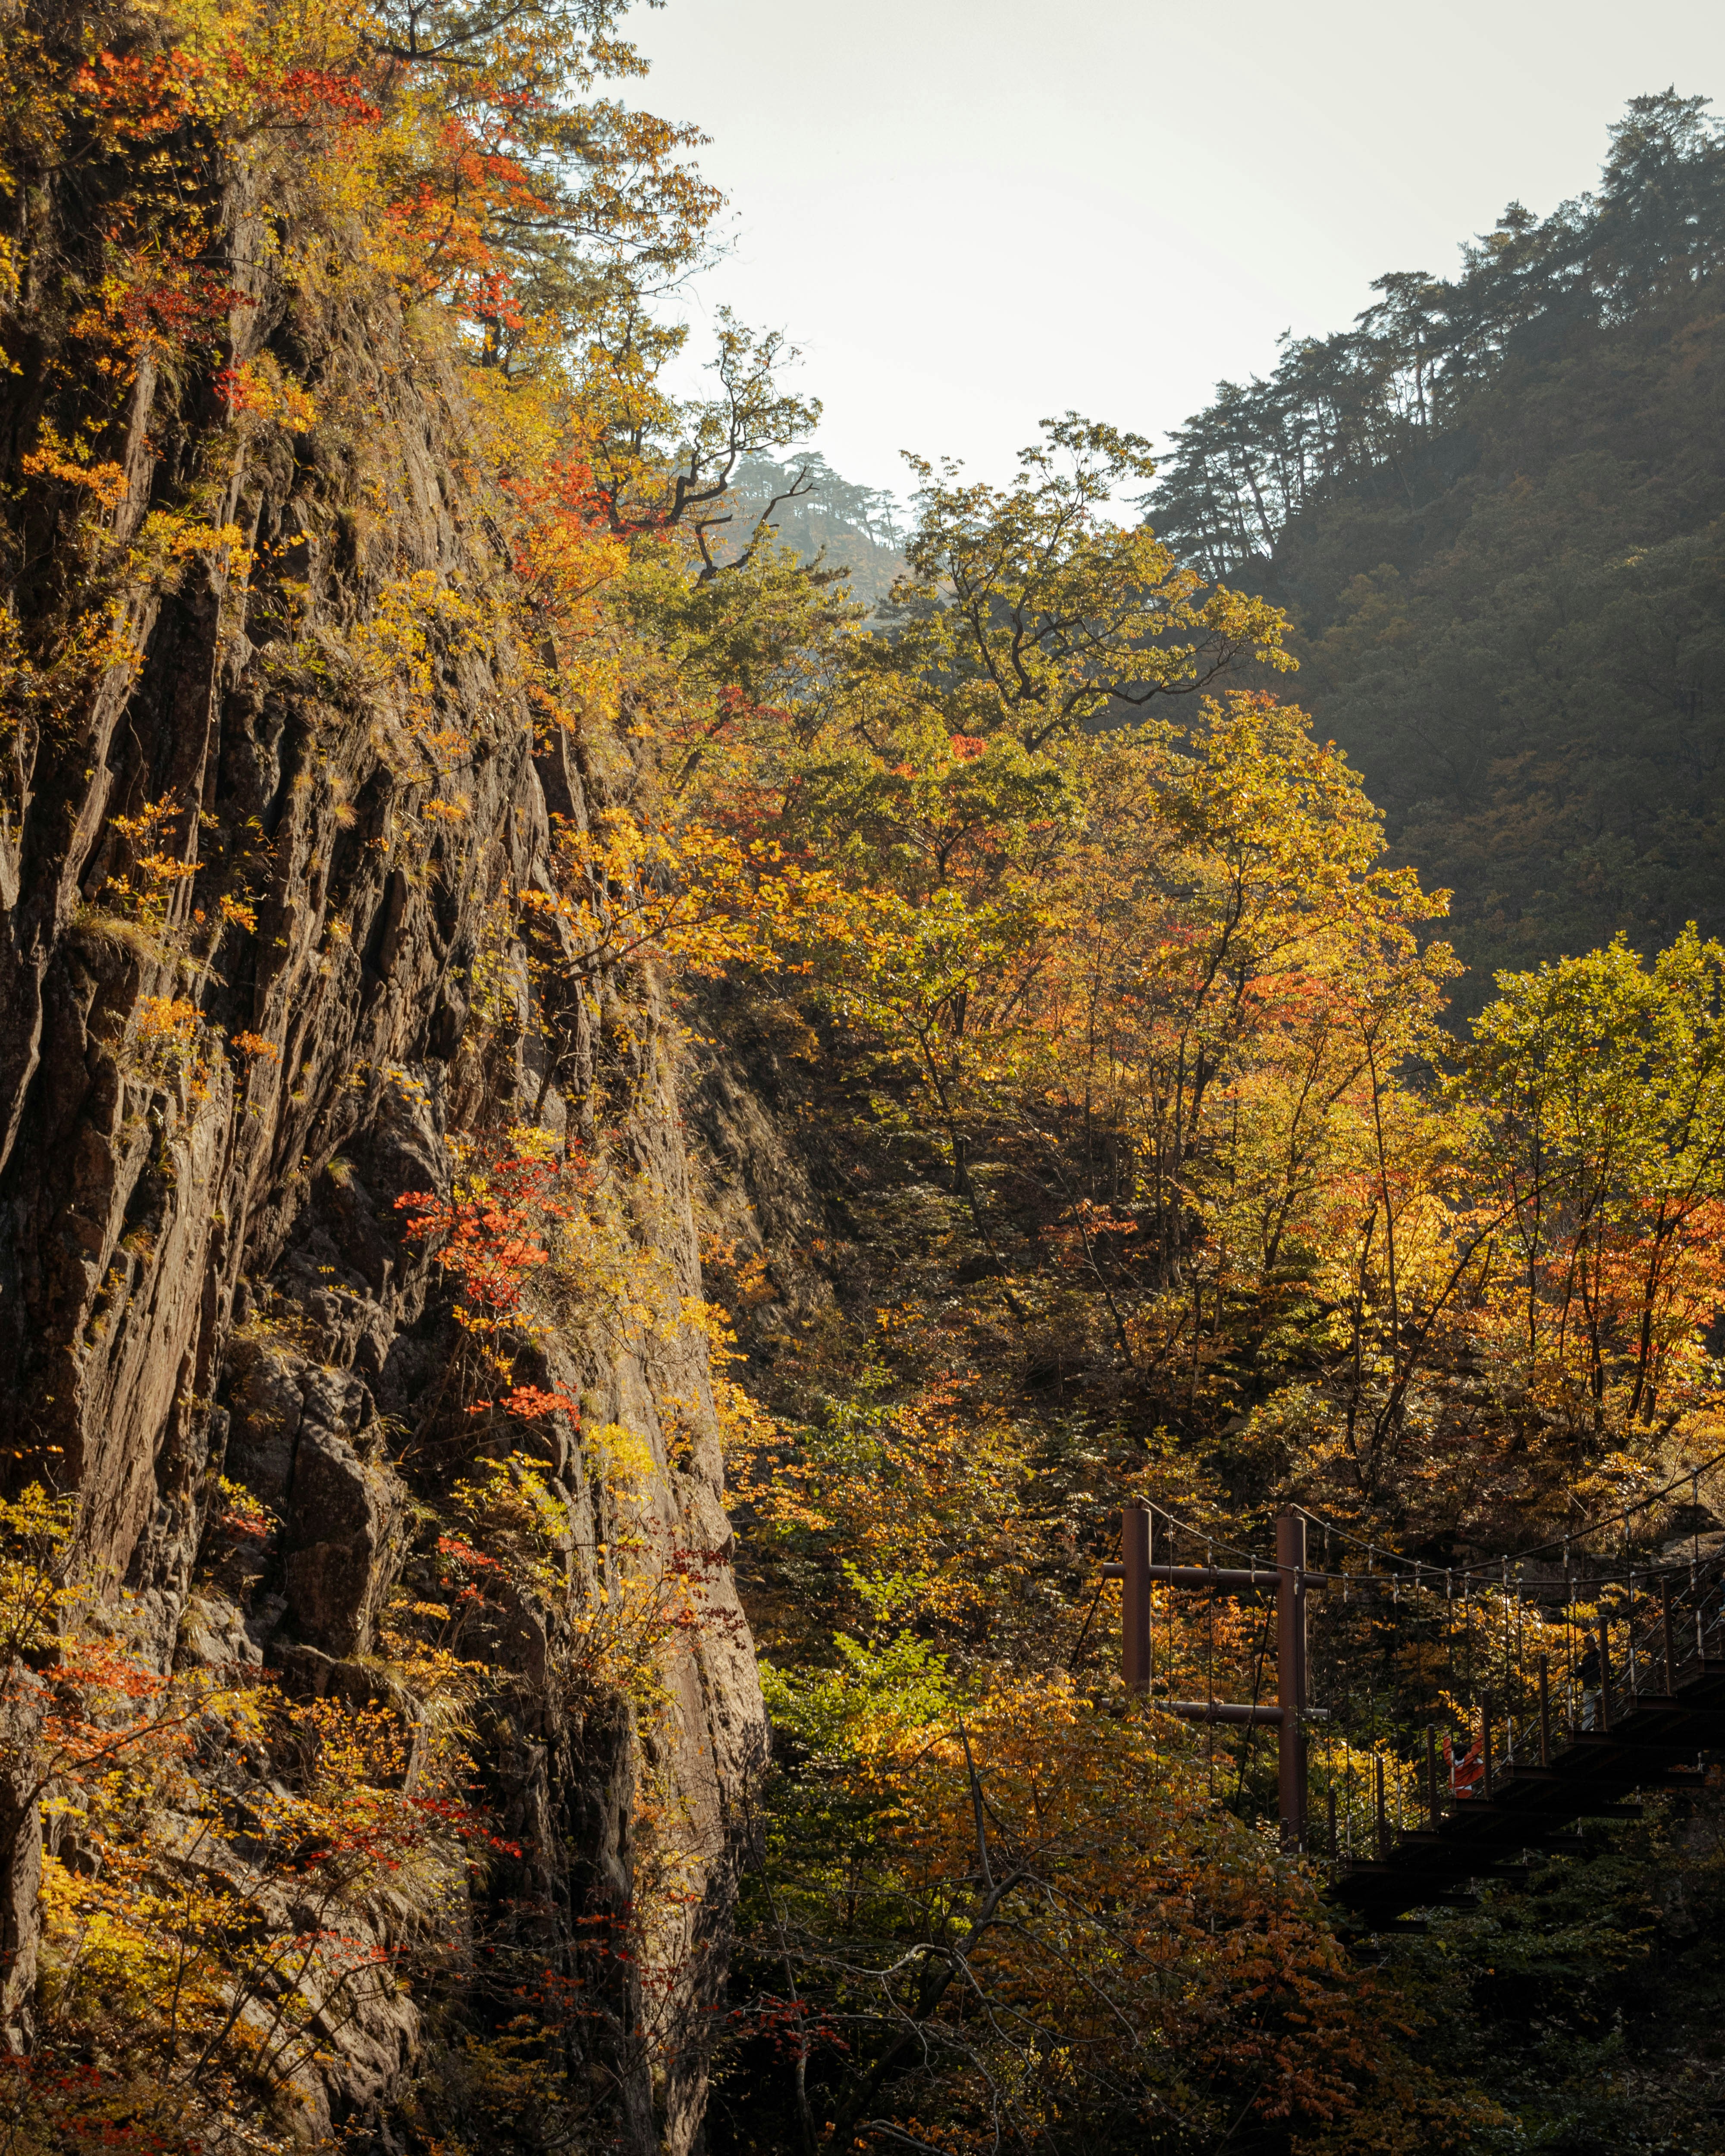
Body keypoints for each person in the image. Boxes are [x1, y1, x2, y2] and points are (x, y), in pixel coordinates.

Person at [1579, 1634, 1601, 1730]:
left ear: (1595, 1644)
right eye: (1587, 1646)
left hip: (1599, 1685)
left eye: (1590, 1645)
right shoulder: (1586, 1657)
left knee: (1601, 1706)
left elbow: (1610, 1669)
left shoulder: (1601, 1655)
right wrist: (1575, 1672)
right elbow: (1581, 1672)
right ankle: (1587, 1730)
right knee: (1588, 1711)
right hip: (1589, 1686)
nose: (1589, 1648)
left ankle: (1601, 1727)